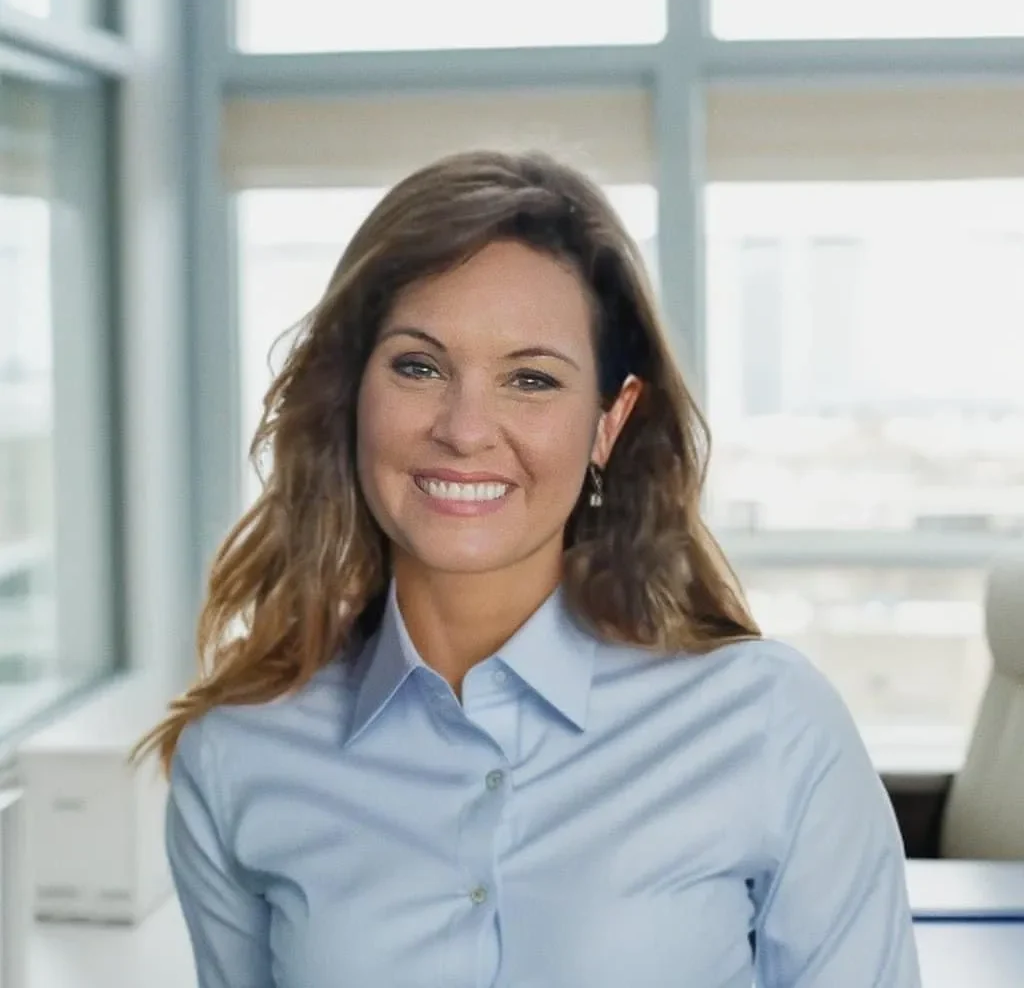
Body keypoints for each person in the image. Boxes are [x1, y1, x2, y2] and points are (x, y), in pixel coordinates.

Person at [132, 149, 921, 987]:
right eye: (420, 366)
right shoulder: (239, 758)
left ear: (609, 423)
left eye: (532, 380)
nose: (466, 429)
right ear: (351, 392)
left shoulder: (770, 724)